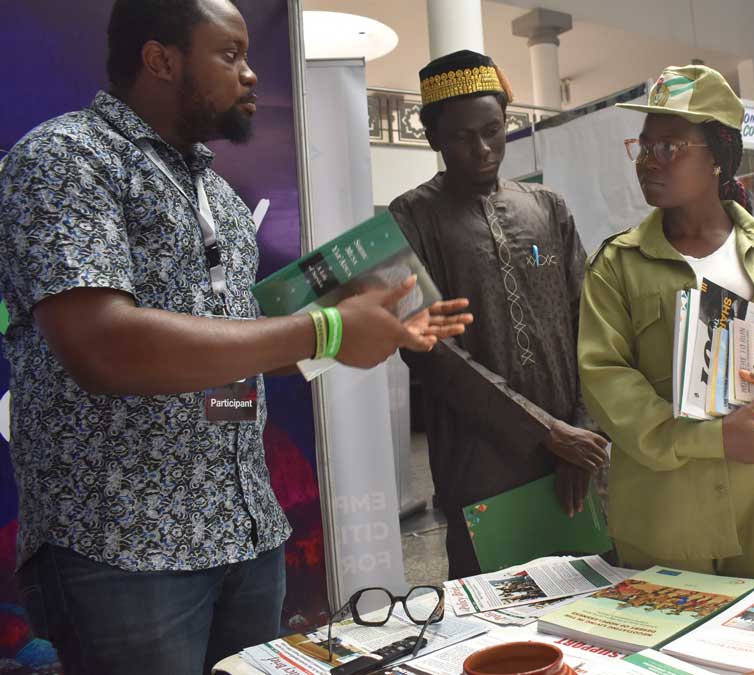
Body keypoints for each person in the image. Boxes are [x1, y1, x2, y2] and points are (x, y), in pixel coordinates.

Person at [0, 1, 471, 673]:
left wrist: (354, 334)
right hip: (124, 552)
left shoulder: (218, 195)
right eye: (230, 55)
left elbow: (238, 351)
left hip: (247, 535)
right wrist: (326, 327)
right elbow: (103, 345)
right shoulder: (64, 158)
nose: (252, 76)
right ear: (161, 60)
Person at [577, 65, 754, 583]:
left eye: (668, 148)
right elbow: (605, 379)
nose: (648, 162)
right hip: (667, 510)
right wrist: (712, 440)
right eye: (643, 146)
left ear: (718, 157)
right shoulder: (617, 265)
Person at [389, 50, 606, 579]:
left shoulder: (548, 207)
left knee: (587, 599)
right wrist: (544, 431)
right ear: (433, 136)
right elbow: (429, 349)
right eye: (463, 137)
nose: (483, 149)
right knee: (489, 612)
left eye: (493, 130)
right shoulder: (410, 216)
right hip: (479, 459)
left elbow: (593, 325)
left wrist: (579, 430)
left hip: (572, 456)